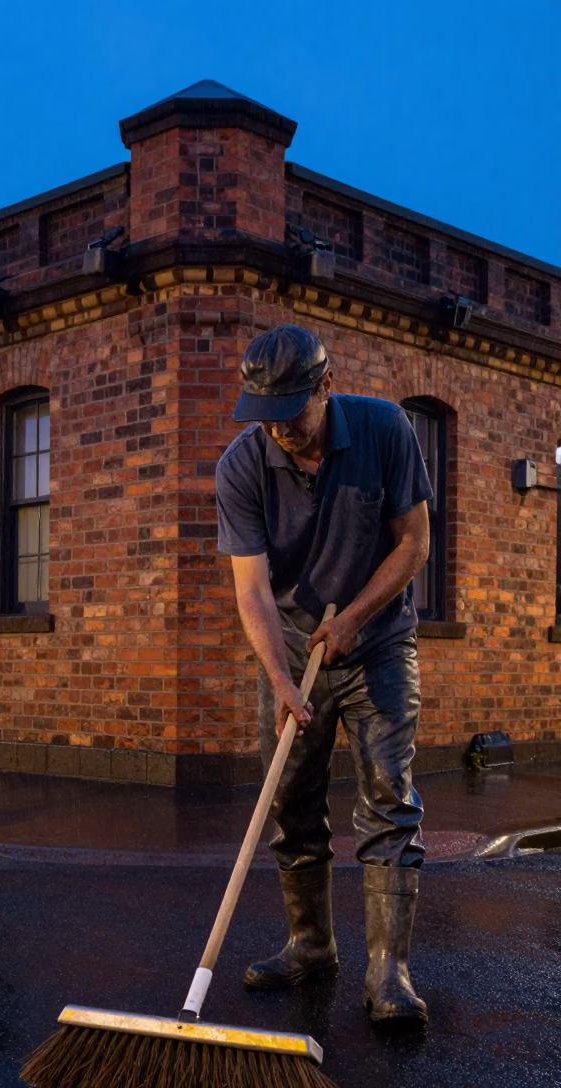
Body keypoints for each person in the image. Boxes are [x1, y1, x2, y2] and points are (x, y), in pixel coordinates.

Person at [215, 324, 432, 1022]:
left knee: (387, 797)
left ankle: (389, 973)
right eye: (265, 418)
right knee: (290, 800)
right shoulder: (241, 466)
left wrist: (355, 618)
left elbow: (414, 544)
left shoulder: (384, 429)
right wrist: (281, 680)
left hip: (377, 642)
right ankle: (310, 945)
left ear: (325, 388)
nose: (280, 431)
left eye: (291, 414)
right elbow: (251, 590)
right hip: (290, 649)